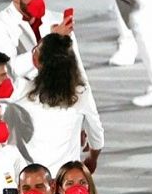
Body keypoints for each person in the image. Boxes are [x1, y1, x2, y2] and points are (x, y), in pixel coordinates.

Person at [11, 34, 105, 175]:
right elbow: (96, 134)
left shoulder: (20, 90)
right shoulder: (80, 94)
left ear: (37, 62)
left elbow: (6, 71)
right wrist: (92, 158)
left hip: (32, 179)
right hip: (66, 180)